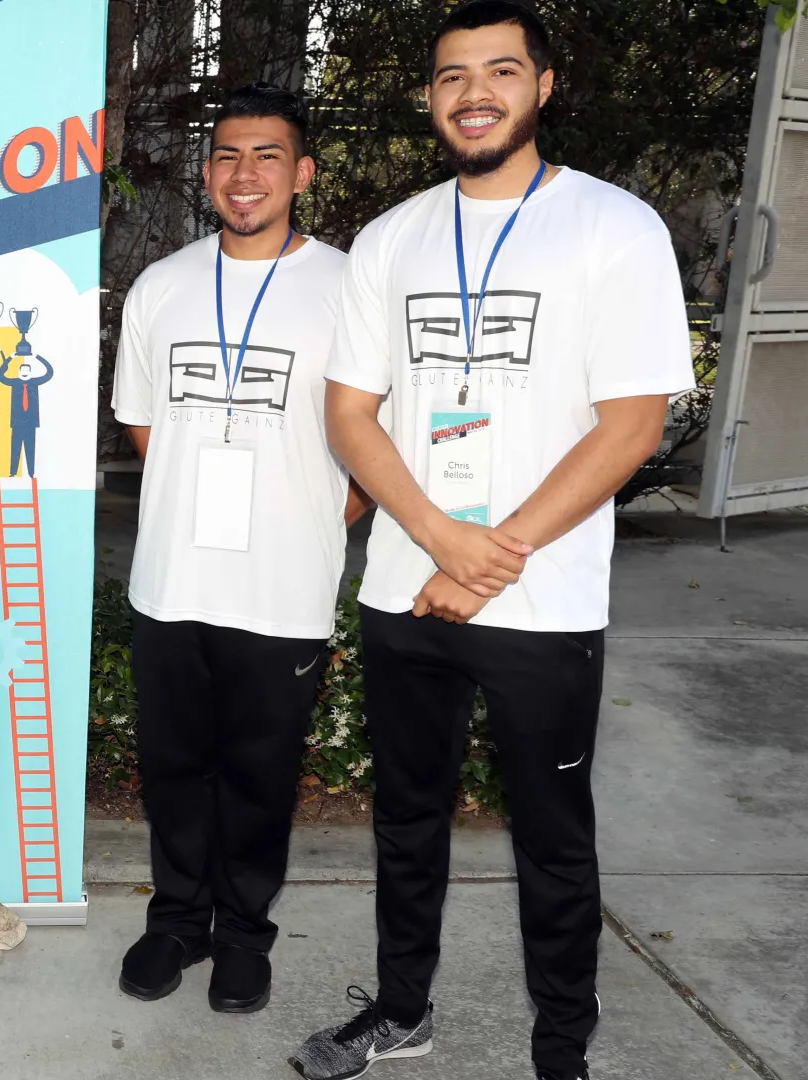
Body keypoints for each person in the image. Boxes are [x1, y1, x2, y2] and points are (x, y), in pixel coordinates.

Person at [288, 5, 693, 1079]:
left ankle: (562, 1043)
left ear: (543, 87)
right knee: (407, 819)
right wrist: (435, 541)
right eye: (452, 74)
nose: (475, 91)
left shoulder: (616, 228)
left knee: (553, 836)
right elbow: (350, 413)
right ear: (430, 97)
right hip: (405, 592)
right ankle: (402, 1008)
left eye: (501, 70)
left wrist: (491, 556)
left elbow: (632, 425)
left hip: (542, 603)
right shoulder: (392, 237)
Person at [110, 83, 366, 1020]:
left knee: (260, 771)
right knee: (175, 765)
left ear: (301, 173)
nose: (243, 173)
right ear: (207, 173)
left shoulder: (349, 287)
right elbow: (144, 426)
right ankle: (176, 920)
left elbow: (382, 429)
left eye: (266, 156)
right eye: (226, 156)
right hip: (174, 576)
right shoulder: (162, 285)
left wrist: (318, 511)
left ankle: (244, 936)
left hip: (284, 583)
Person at [4, 354, 54, 478]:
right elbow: (1, 376)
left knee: (30, 448)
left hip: (31, 422)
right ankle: (13, 472)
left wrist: (37, 356)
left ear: (30, 371)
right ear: (19, 371)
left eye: (27, 370)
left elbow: (49, 372)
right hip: (17, 422)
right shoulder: (15, 382)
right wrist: (10, 358)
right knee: (15, 448)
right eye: (23, 370)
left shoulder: (34, 382)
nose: (25, 372)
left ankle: (31, 472)